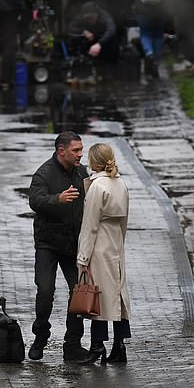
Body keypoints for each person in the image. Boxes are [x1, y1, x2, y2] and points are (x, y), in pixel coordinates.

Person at [28, 131, 89, 361]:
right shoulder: (44, 174)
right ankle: (40, 337)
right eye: (76, 150)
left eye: (81, 150)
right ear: (61, 151)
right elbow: (34, 200)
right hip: (48, 243)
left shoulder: (81, 172)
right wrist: (57, 199)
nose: (80, 155)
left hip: (73, 243)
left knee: (79, 291)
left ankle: (72, 344)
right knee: (45, 290)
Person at [76, 143, 131, 364]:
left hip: (98, 246)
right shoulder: (121, 184)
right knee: (117, 296)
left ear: (93, 161)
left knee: (96, 296)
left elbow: (89, 225)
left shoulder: (97, 187)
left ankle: (97, 344)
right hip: (116, 243)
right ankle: (119, 345)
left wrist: (83, 257)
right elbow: (125, 222)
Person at [136, 0, 173, 78]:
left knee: (145, 33)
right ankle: (156, 60)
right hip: (160, 11)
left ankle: (149, 52)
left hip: (143, 11)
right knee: (158, 35)